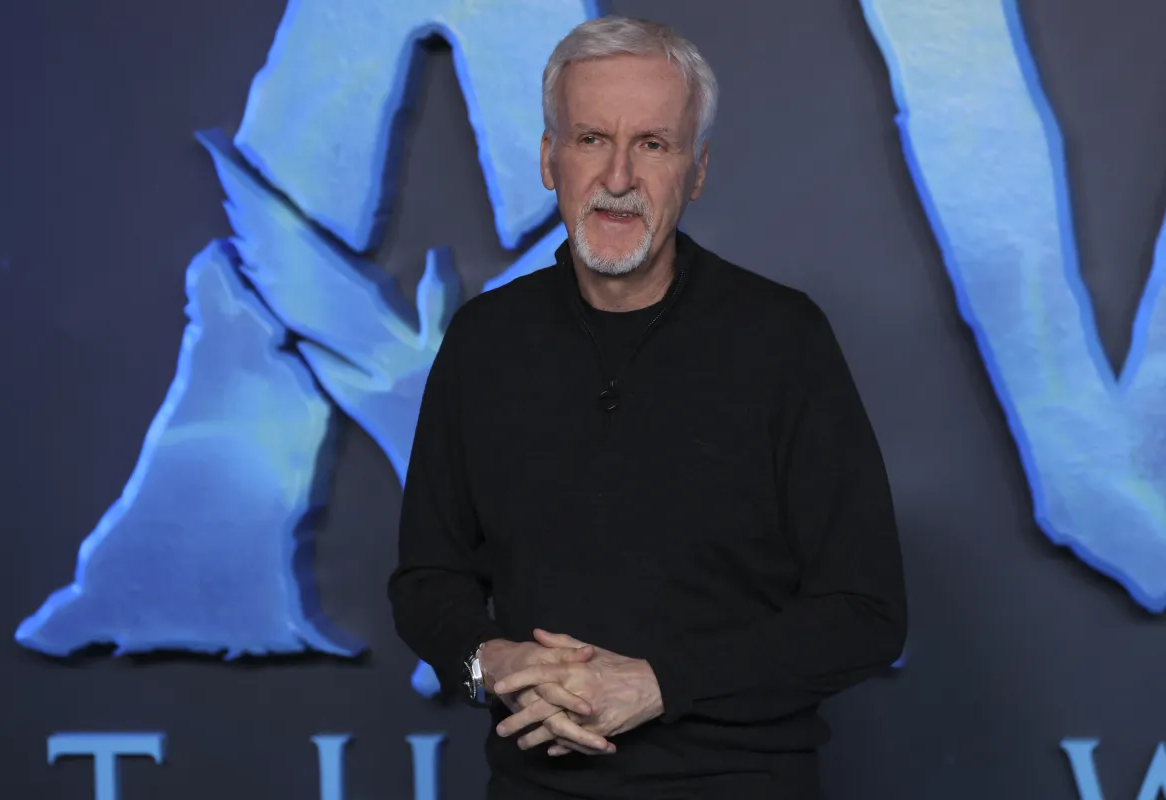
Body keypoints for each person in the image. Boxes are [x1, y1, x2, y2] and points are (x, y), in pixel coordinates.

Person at [388, 14, 906, 800]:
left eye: (654, 145)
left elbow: (866, 612)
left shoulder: (782, 339)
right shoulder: (484, 340)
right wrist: (490, 662)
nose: (619, 176)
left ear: (696, 171)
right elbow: (428, 580)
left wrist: (662, 683)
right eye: (591, 138)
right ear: (548, 160)